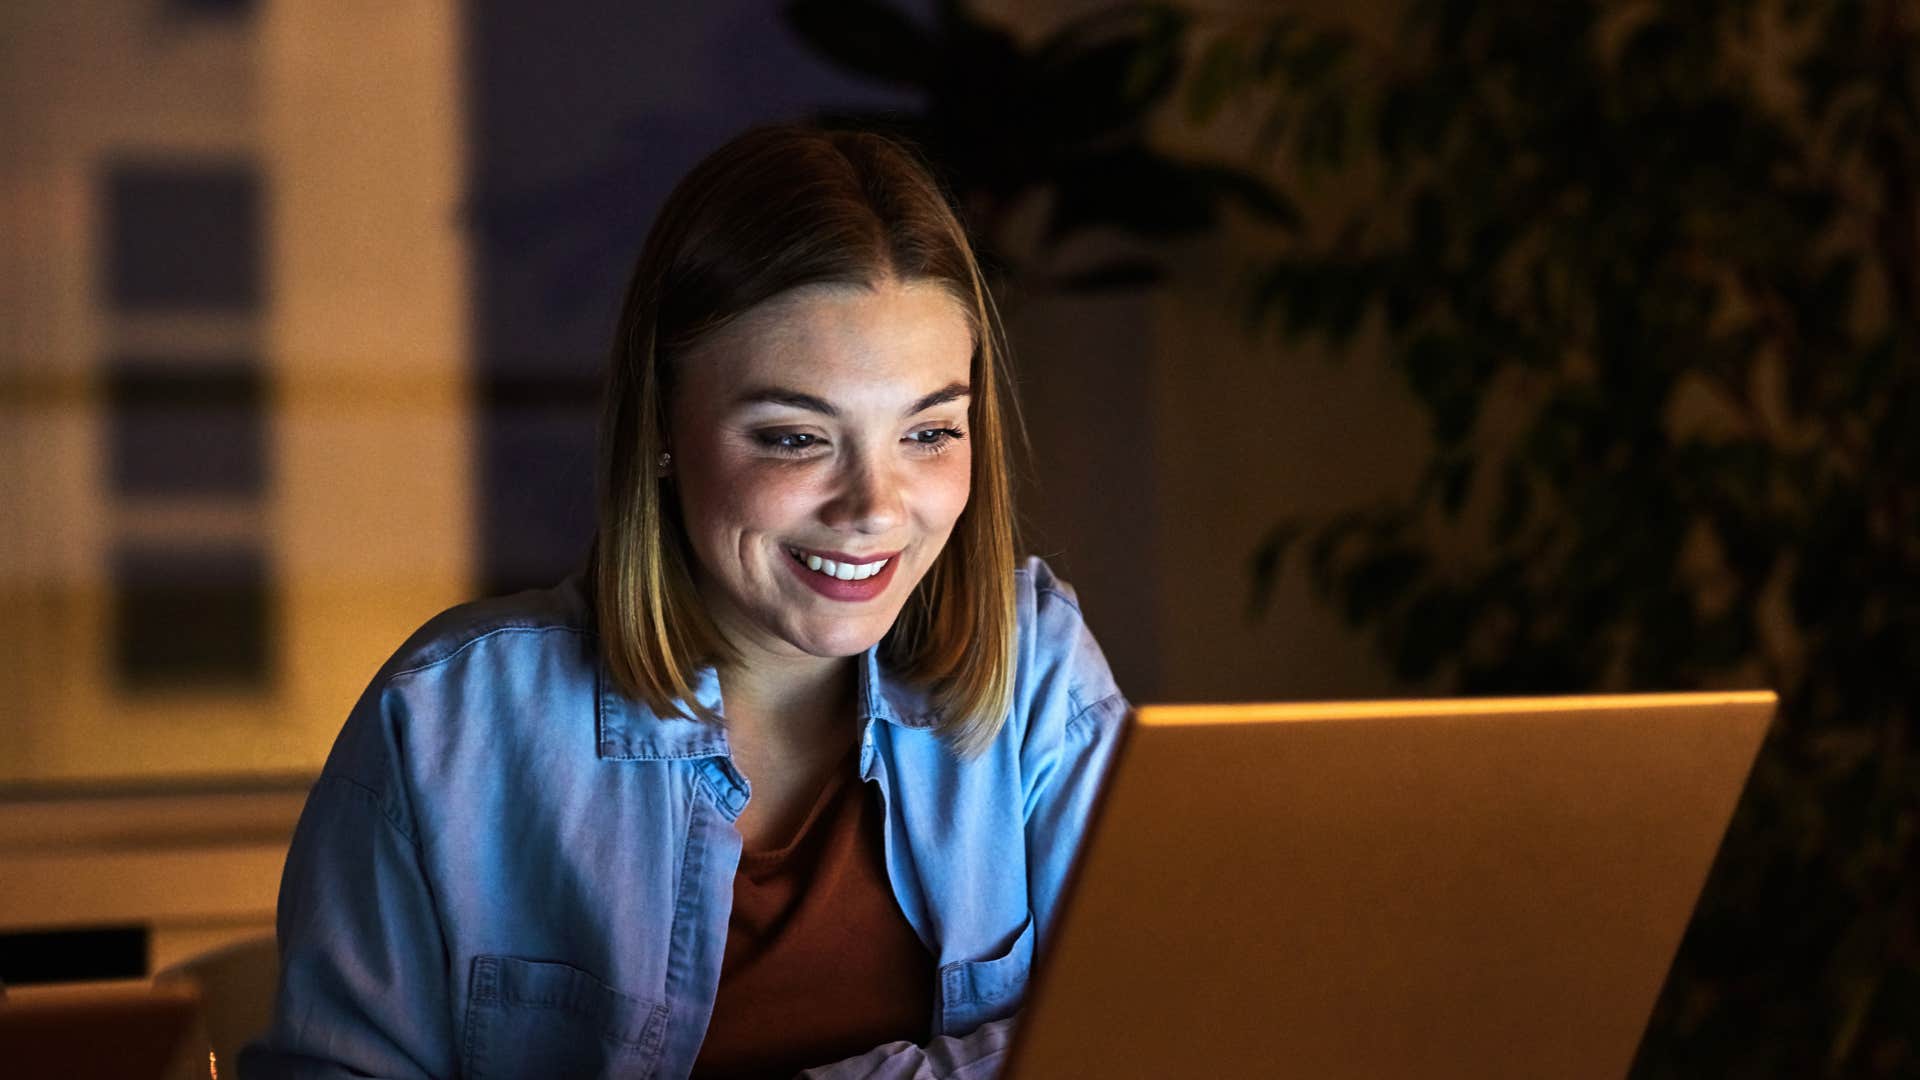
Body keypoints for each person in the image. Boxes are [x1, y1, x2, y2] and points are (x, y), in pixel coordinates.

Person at [242, 123, 1130, 1079]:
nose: (875, 510)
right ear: (664, 428)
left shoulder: (1035, 672)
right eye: (795, 438)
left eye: (928, 433)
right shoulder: (449, 722)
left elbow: (1160, 1030)